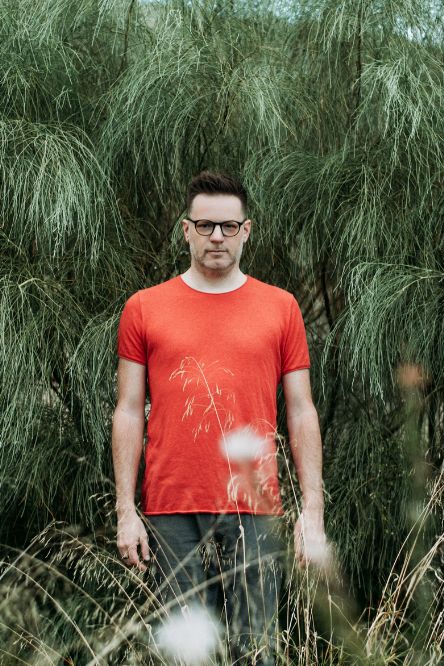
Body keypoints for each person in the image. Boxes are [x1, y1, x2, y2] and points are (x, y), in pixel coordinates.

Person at [111, 170, 326, 664]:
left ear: (246, 231)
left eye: (228, 227)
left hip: (255, 506)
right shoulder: (144, 308)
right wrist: (126, 510)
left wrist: (312, 510)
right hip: (171, 508)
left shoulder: (281, 308)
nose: (216, 237)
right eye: (205, 225)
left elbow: (301, 411)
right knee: (186, 655)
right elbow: (127, 410)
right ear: (186, 230)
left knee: (257, 651)